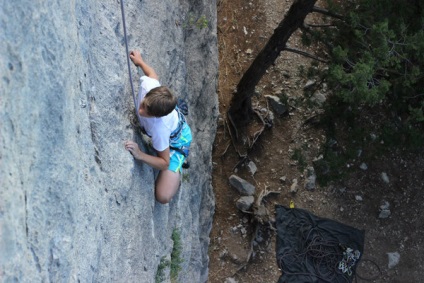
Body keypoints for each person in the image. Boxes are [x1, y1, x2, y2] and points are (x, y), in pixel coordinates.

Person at [125, 50, 192, 204]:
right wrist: (140, 62)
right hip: (172, 125)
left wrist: (140, 154)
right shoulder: (149, 86)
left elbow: (164, 162)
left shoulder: (159, 129)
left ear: (158, 116)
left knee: (163, 196)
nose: (140, 111)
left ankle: (180, 163)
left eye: (147, 112)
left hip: (177, 143)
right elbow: (153, 75)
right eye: (143, 105)